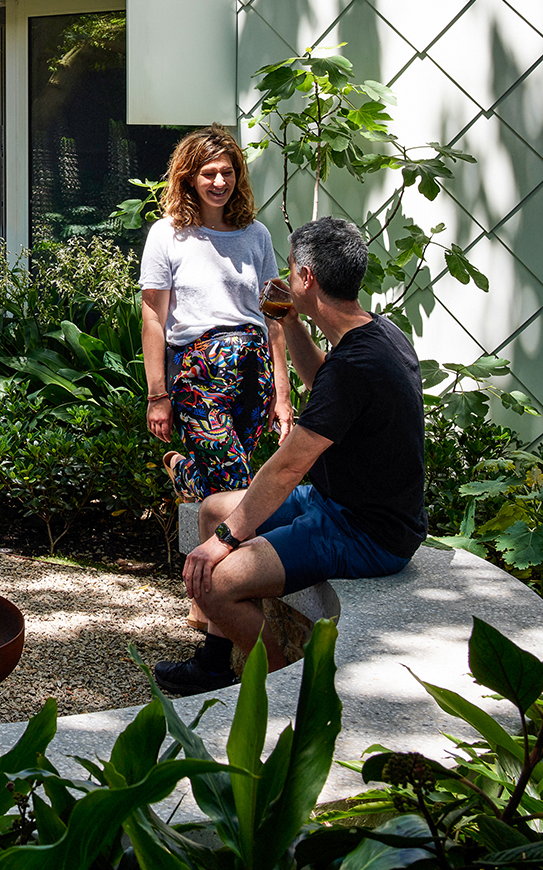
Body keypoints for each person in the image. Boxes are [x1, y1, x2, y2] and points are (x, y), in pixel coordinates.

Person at [155, 215, 425, 697]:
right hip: (338, 503)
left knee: (214, 581)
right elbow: (324, 382)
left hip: (367, 533)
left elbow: (286, 467)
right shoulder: (378, 335)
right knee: (215, 505)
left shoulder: (357, 366)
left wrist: (225, 540)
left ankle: (278, 690)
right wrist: (289, 321)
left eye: (291, 268)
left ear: (307, 278)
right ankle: (218, 663)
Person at [140, 128, 293, 504]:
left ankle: (187, 474)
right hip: (198, 371)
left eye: (227, 172)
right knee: (236, 484)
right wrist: (157, 395)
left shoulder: (256, 235)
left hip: (254, 369)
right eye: (209, 173)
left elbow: (274, 316)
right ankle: (243, 561)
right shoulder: (167, 235)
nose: (219, 182)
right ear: (189, 177)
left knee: (227, 474)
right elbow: (153, 318)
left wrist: (284, 392)